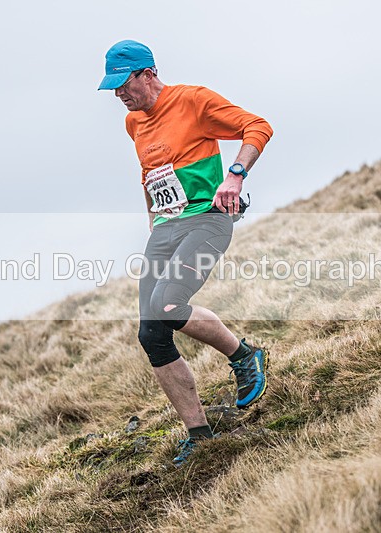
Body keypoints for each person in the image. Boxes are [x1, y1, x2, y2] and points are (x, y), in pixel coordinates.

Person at [98, 40, 273, 466]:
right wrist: (154, 226)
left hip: (206, 219)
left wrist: (234, 177)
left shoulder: (192, 100)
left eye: (125, 84)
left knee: (170, 304)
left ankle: (244, 356)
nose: (120, 94)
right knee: (151, 334)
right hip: (165, 228)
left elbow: (258, 126)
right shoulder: (134, 124)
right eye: (113, 88)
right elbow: (150, 177)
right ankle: (198, 433)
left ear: (148, 73)